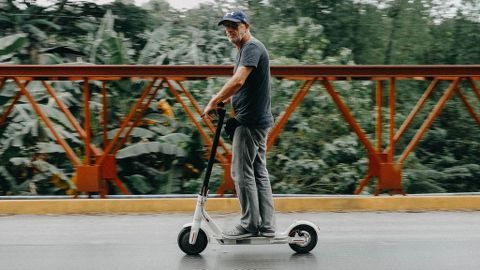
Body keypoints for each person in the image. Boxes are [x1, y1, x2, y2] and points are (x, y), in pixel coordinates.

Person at [202, 10, 275, 239]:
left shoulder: (252, 47)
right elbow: (242, 85)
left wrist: (214, 100)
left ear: (246, 25)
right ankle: (266, 225)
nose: (229, 30)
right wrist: (224, 101)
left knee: (241, 173)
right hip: (257, 120)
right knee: (257, 171)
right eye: (226, 26)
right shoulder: (245, 49)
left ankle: (249, 225)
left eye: (234, 25)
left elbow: (239, 80)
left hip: (250, 122)